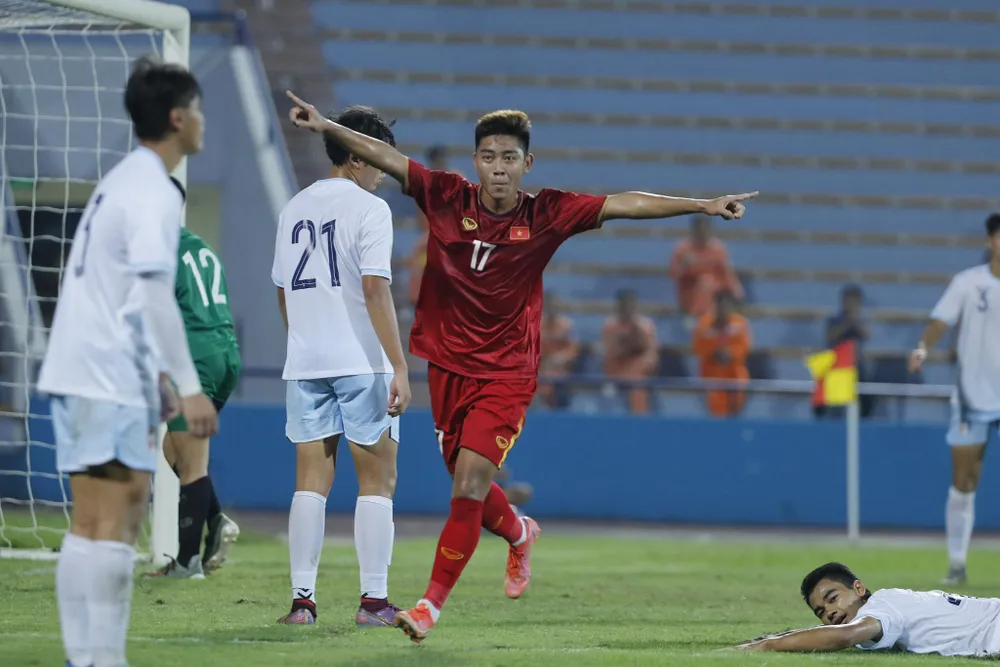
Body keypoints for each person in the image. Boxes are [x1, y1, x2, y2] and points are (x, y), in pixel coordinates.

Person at [285, 90, 756, 643]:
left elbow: (624, 203)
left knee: (468, 483)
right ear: (476, 161)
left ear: (526, 164)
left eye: (509, 158)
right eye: (488, 156)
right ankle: (519, 531)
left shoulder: (547, 212)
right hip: (449, 367)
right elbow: (386, 158)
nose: (498, 168)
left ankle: (428, 606)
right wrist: (324, 126)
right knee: (471, 488)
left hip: (507, 371)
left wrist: (699, 206)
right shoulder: (443, 194)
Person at [36, 57, 218, 667]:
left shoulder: (121, 180)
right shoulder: (154, 190)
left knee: (91, 523)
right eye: (196, 108)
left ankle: (84, 657)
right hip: (107, 374)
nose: (202, 120)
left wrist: (158, 378)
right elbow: (150, 293)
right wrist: (189, 387)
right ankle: (100, 658)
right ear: (176, 118)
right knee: (117, 520)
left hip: (81, 366)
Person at [271, 105, 411, 627]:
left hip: (307, 363)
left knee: (310, 481)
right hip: (361, 362)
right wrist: (398, 363)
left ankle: (301, 602)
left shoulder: (294, 207)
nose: (382, 169)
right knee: (377, 480)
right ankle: (373, 602)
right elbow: (375, 288)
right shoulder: (370, 210)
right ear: (355, 157)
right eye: (377, 157)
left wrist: (306, 341)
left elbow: (283, 291)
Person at [145, 202, 241, 579]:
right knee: (176, 449)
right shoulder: (201, 247)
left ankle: (188, 563)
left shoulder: (159, 252)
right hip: (225, 352)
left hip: (196, 356)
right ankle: (216, 521)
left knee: (192, 463)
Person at [908, 213, 1000, 586]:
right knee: (965, 480)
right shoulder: (969, 282)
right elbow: (940, 322)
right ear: (991, 240)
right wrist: (922, 346)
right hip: (972, 395)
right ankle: (957, 563)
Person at [734, 562, 1000, 657]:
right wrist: (786, 636)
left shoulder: (881, 606)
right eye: (821, 612)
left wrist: (769, 645)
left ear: (859, 589)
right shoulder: (891, 602)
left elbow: (844, 636)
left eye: (832, 597)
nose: (829, 612)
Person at [668, 214, 743, 327]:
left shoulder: (718, 249)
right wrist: (685, 267)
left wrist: (737, 293)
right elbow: (673, 274)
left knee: (708, 282)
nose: (701, 234)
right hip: (689, 292)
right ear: (693, 231)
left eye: (704, 230)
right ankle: (697, 318)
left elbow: (726, 273)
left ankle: (707, 319)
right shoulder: (682, 249)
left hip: (714, 293)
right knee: (705, 282)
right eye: (698, 230)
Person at [692, 289, 751, 417]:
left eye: (725, 305)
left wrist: (730, 353)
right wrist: (714, 352)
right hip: (712, 373)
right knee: (715, 410)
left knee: (739, 387)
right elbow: (698, 348)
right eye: (719, 305)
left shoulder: (740, 324)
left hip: (734, 372)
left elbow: (744, 348)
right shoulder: (704, 324)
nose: (722, 309)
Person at [602, 290, 659, 414]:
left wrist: (635, 333)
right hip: (615, 377)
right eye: (624, 305)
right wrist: (623, 343)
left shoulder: (646, 325)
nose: (627, 309)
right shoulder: (610, 326)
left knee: (639, 391)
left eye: (631, 305)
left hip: (639, 378)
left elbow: (651, 358)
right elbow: (610, 354)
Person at [538, 291, 579, 408]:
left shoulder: (566, 325)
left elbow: (573, 349)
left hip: (561, 369)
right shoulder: (536, 324)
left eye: (554, 305)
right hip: (541, 369)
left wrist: (561, 358)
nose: (551, 308)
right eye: (548, 305)